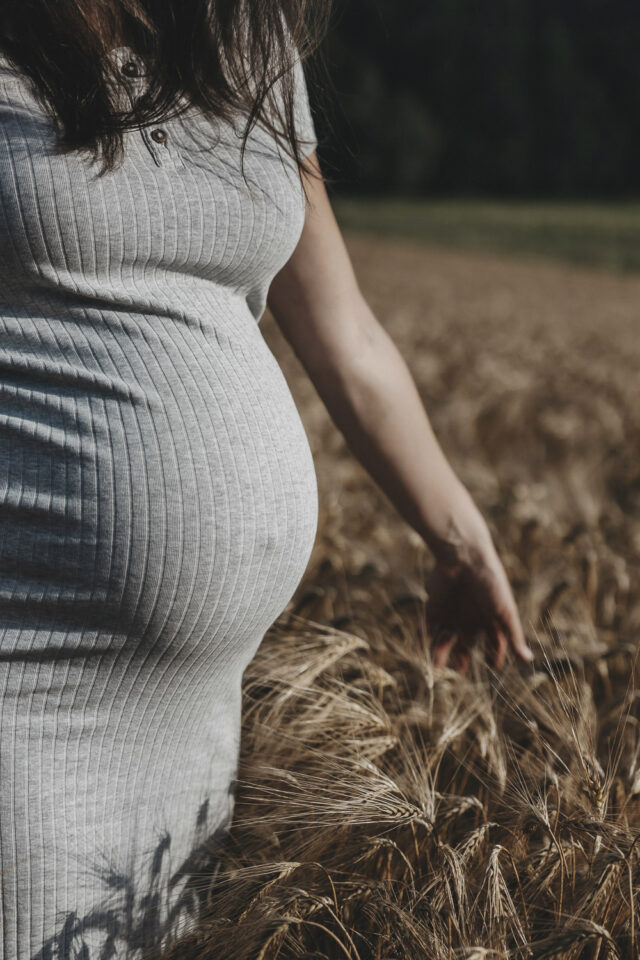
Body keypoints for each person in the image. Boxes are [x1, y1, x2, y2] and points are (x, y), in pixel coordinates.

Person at [0, 1, 533, 957]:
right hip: (27, 690)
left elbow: (346, 333)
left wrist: (456, 531)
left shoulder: (241, 39)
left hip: (193, 725)